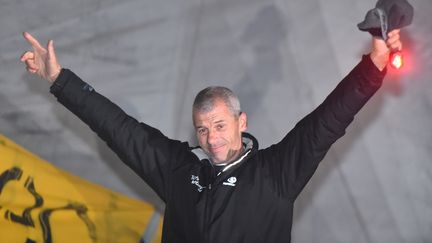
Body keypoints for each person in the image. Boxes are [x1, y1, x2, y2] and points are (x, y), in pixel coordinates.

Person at [20, 29, 401, 243]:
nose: (211, 138)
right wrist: (59, 79)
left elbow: (326, 123)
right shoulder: (177, 169)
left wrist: (373, 68)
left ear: (242, 122)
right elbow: (117, 127)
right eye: (202, 129)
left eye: (220, 126)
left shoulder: (275, 173)